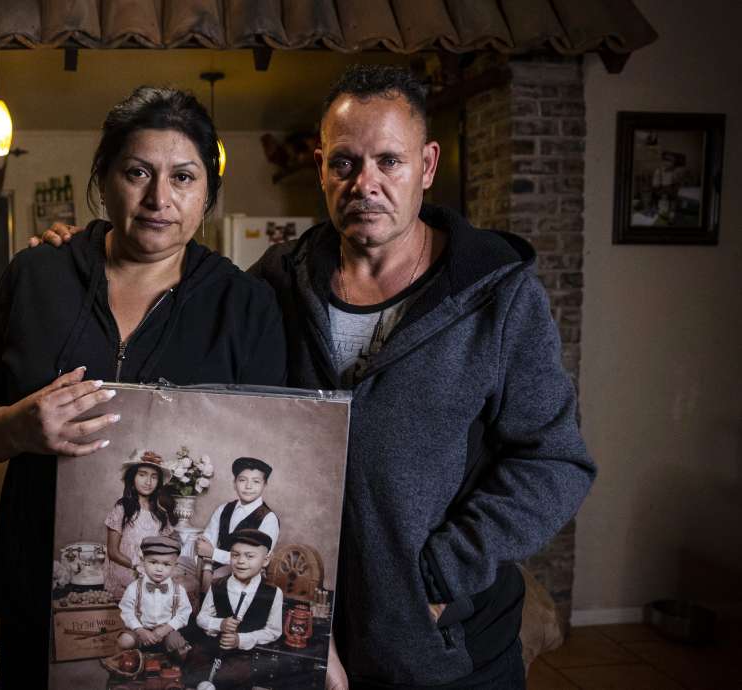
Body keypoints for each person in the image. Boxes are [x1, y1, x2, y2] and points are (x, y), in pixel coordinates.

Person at [34, 64, 596, 690]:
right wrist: (84, 255)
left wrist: (440, 575)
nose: (367, 184)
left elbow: (555, 462)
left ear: (428, 166)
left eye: (391, 161)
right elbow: (180, 314)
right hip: (300, 638)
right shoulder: (276, 282)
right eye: (346, 163)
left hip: (442, 644)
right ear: (322, 165)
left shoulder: (498, 297)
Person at [0, 85, 287, 687]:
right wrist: (16, 427)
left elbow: (266, 452)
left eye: (184, 177)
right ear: (104, 179)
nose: (160, 199)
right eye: (138, 172)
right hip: (40, 594)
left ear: (207, 191)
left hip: (180, 605)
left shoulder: (245, 304)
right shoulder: (36, 276)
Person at [186, 528, 283, 690]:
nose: (241, 561)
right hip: (215, 648)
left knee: (233, 677)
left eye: (250, 556)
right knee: (195, 665)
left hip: (244, 654)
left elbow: (273, 631)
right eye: (235, 555)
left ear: (266, 560)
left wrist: (240, 640)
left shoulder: (273, 593)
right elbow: (201, 618)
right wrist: (220, 624)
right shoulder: (217, 585)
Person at [105, 450, 177, 597]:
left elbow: (165, 549)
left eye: (154, 477)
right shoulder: (122, 508)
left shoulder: (160, 514)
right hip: (126, 570)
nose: (148, 482)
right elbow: (112, 552)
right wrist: (137, 566)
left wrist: (154, 569)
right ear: (132, 478)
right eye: (142, 474)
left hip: (152, 572)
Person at [112, 534, 193, 661]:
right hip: (140, 631)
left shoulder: (178, 590)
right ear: (143, 561)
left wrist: (166, 629)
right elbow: (126, 610)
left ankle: (175, 669)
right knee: (125, 641)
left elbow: (184, 613)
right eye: (153, 562)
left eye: (166, 564)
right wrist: (140, 630)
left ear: (174, 566)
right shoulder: (134, 587)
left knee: (178, 645)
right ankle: (127, 665)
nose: (159, 569)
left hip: (166, 632)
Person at [195, 457, 279, 578]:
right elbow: (205, 545)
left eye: (256, 481)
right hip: (215, 569)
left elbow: (256, 560)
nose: (248, 486)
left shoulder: (268, 518)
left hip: (248, 576)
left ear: (264, 484)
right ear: (234, 483)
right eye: (242, 480)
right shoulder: (223, 509)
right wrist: (207, 569)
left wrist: (214, 553)